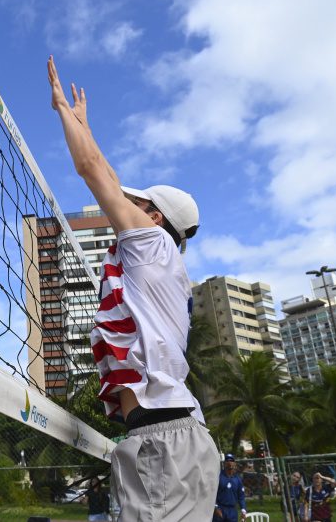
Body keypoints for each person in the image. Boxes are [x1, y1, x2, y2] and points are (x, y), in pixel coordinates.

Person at [47, 55, 219, 521]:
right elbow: (106, 172)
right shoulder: (158, 264)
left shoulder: (151, 246)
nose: (124, 202)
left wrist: (63, 109)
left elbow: (93, 170)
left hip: (165, 442)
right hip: (167, 437)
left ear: (155, 218)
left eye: (138, 203)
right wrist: (86, 126)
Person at [213, 454, 247, 522]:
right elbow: (212, 494)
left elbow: (241, 496)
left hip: (232, 511)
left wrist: (243, 510)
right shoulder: (218, 476)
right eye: (227, 460)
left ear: (234, 463)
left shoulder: (237, 479)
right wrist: (215, 507)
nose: (229, 462)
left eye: (231, 461)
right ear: (224, 463)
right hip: (220, 508)